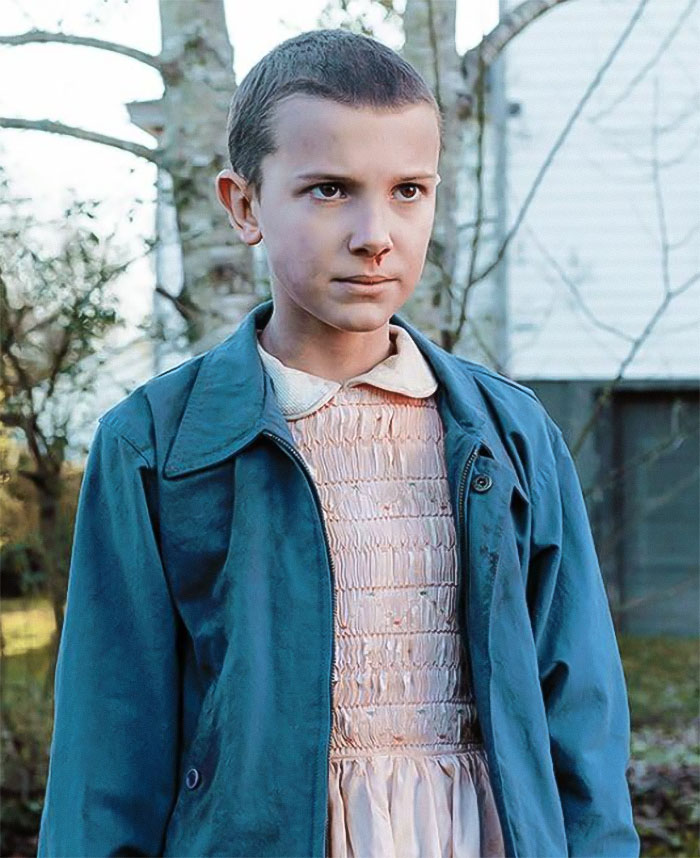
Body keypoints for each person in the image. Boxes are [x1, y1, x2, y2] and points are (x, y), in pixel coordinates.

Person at [37, 27, 640, 858]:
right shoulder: (155, 446)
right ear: (244, 204)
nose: (375, 233)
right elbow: (108, 747)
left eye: (408, 191)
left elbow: (582, 715)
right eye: (328, 190)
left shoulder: (512, 436)